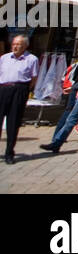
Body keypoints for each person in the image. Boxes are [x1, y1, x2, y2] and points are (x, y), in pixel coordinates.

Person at [0, 34, 39, 163]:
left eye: (18, 44)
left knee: (13, 122)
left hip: (20, 89)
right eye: (13, 44)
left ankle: (9, 153)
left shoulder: (32, 59)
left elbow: (34, 78)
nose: (15, 47)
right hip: (3, 89)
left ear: (25, 46)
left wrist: (25, 90)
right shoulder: (4, 58)